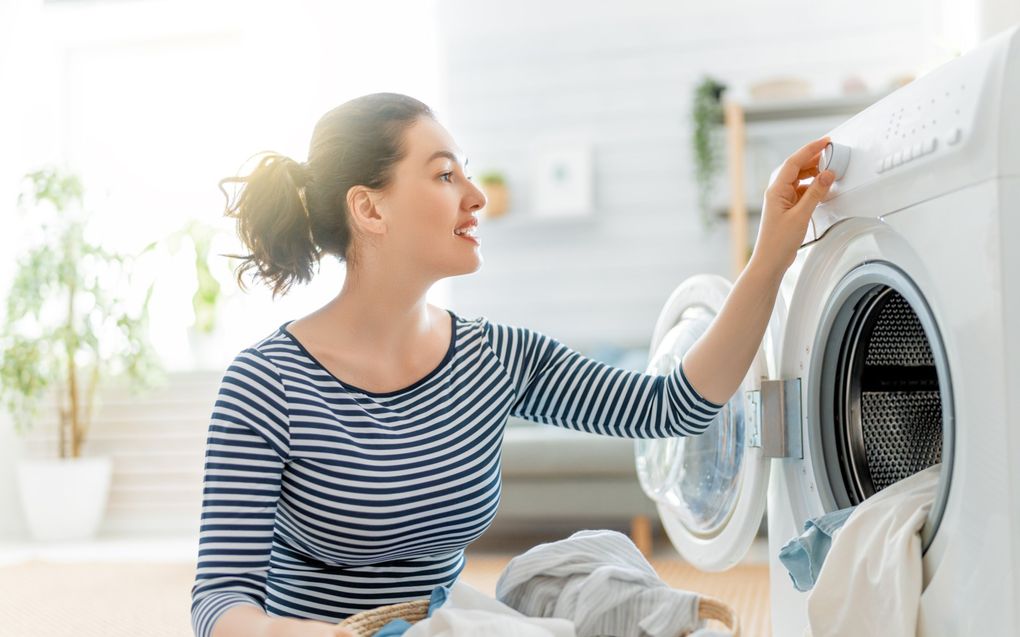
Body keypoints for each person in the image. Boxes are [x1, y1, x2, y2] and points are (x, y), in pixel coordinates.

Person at [189, 92, 835, 637]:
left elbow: (672, 406)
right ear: (369, 208)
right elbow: (220, 604)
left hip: (445, 628)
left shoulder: (495, 357)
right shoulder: (265, 385)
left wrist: (772, 254)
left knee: (589, 566)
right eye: (445, 176)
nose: (476, 197)